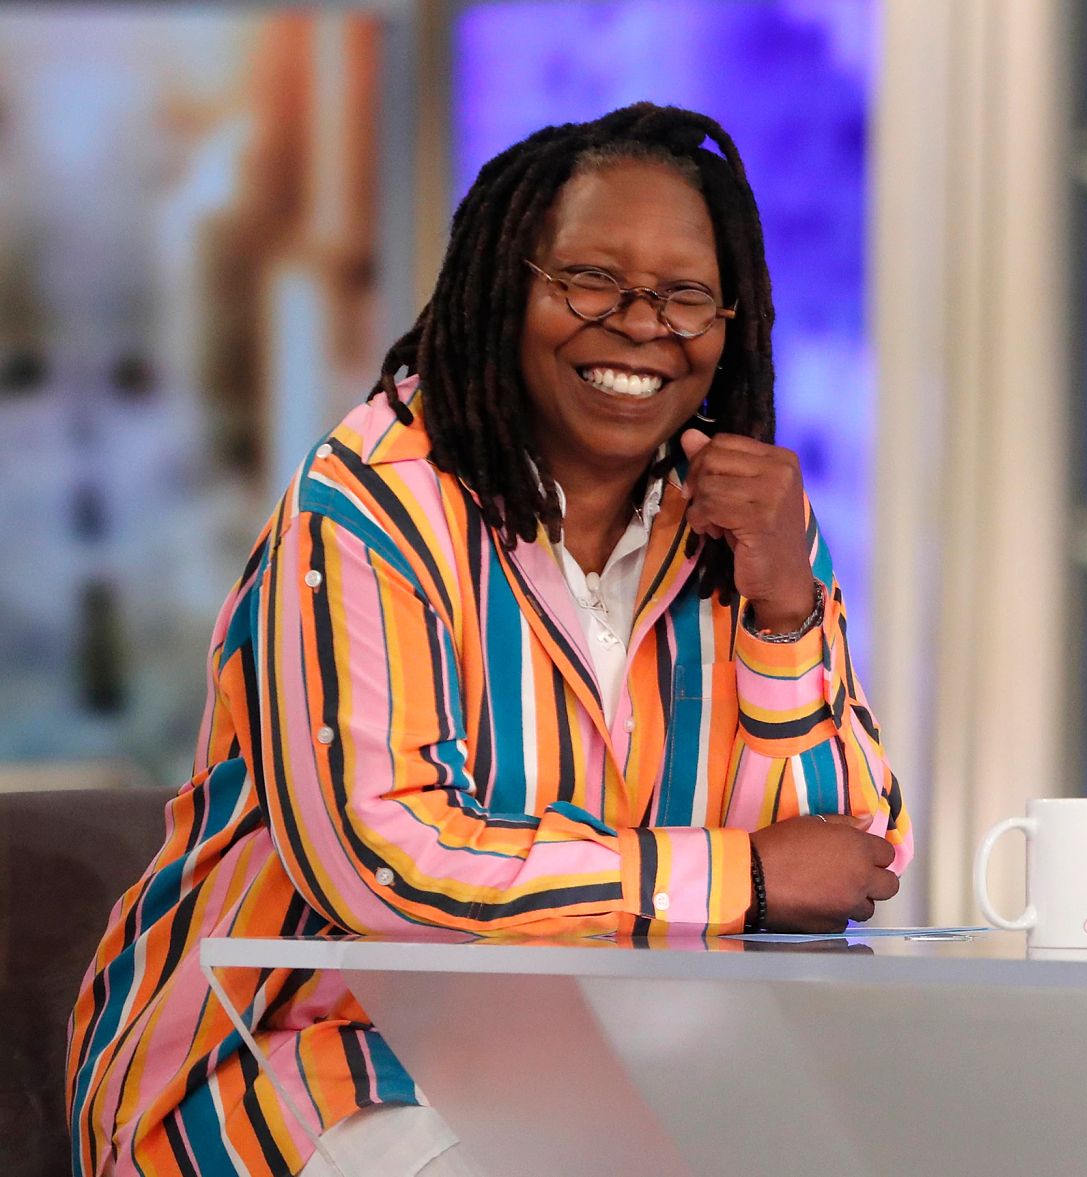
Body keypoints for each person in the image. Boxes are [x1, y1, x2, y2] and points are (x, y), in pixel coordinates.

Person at [67, 103, 910, 1176]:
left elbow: (844, 861)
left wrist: (785, 613)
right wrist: (737, 874)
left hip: (604, 1071)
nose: (641, 323)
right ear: (505, 285)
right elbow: (386, 864)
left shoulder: (749, 522)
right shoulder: (370, 504)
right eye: (590, 280)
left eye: (686, 294)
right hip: (287, 1057)